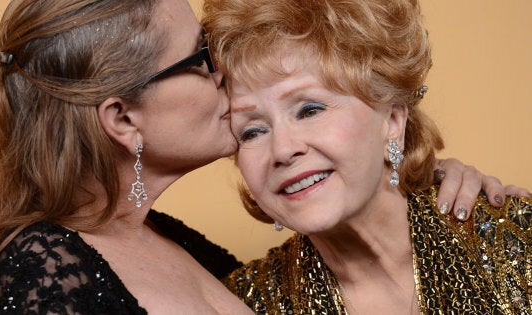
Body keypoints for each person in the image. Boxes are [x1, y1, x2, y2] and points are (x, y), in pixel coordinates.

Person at [0, 0, 521, 314]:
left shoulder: (181, 248)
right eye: (201, 58)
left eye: (310, 110)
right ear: (121, 120)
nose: (222, 74)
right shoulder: (41, 269)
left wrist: (438, 187)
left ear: (394, 118)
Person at [203, 0, 531, 313]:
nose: (283, 150)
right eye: (252, 132)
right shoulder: (242, 304)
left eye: (309, 110)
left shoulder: (515, 242)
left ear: (392, 121)